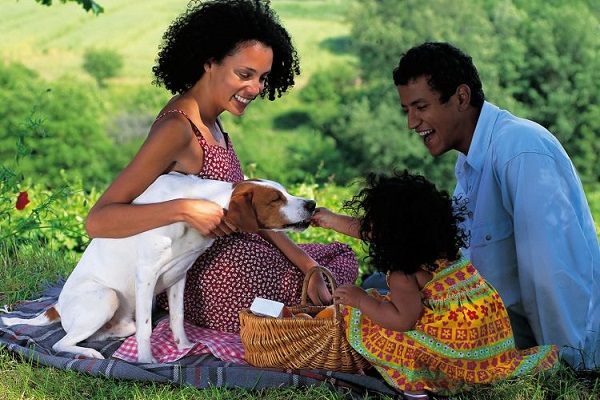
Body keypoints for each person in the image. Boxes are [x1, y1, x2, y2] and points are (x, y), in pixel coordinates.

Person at [84, 0, 358, 333]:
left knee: (337, 260)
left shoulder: (212, 122)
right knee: (334, 289)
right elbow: (99, 220)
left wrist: (307, 264)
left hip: (246, 255)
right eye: (245, 75)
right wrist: (184, 210)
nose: (256, 88)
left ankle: (297, 302)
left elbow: (253, 210)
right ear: (209, 61)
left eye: (263, 78)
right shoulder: (177, 129)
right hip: (213, 282)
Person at [391, 41, 600, 370]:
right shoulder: (469, 164)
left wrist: (563, 365)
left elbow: (551, 274)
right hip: (489, 329)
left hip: (542, 344)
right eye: (407, 110)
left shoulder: (520, 149)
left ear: (461, 98)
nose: (412, 123)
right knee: (379, 291)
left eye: (420, 107)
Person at [311, 170, 558, 398]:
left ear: (390, 234)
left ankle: (418, 383)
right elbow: (383, 231)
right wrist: (331, 220)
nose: (369, 229)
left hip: (453, 356)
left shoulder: (403, 271)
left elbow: (402, 321)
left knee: (361, 317)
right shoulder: (437, 247)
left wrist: (360, 299)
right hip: (488, 347)